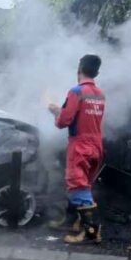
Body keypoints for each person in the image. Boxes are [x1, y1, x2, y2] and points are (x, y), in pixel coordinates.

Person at [49, 54, 105, 244]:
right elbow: (85, 117)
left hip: (80, 145)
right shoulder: (99, 94)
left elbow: (64, 121)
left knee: (77, 186)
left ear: (79, 69)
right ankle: (73, 221)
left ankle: (91, 232)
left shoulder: (76, 91)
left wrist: (57, 113)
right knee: (82, 185)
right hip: (96, 145)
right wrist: (62, 112)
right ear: (96, 72)